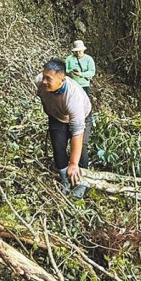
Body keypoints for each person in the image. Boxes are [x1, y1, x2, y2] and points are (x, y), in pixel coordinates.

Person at [35, 59, 93, 188]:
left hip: (82, 115)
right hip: (57, 116)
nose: (44, 81)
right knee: (58, 147)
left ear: (62, 80)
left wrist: (73, 163)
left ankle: (81, 183)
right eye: (44, 76)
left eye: (48, 79)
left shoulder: (73, 97)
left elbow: (77, 133)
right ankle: (65, 181)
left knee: (81, 149)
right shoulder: (40, 82)